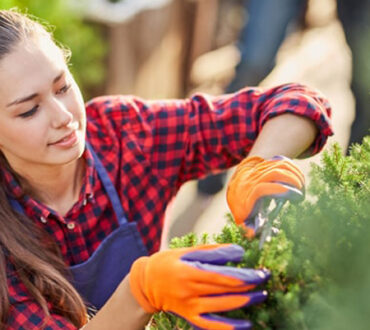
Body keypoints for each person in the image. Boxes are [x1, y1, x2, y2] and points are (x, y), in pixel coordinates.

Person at [0, 9, 332, 330]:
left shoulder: (125, 136)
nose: (63, 116)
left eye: (62, 87)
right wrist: (140, 291)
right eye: (29, 111)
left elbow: (297, 102)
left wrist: (259, 165)